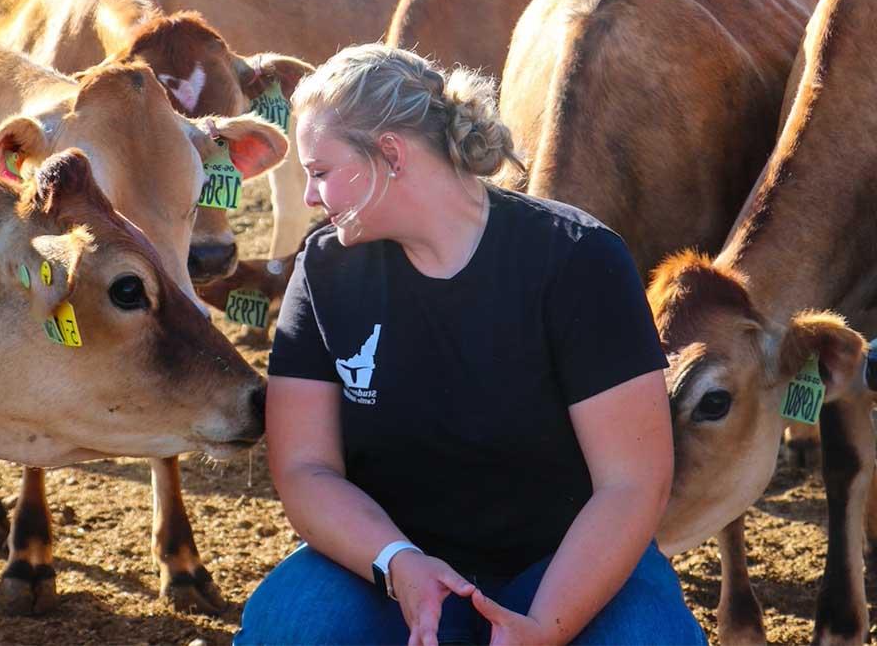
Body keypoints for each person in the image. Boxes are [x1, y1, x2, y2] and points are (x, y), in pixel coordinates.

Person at [235, 44, 706, 645]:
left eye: (320, 172)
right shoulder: (326, 272)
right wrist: (398, 563)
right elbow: (305, 468)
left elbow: (633, 483)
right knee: (292, 627)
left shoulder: (578, 259)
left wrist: (543, 626)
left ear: (390, 154)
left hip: (564, 562)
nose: (308, 198)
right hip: (391, 564)